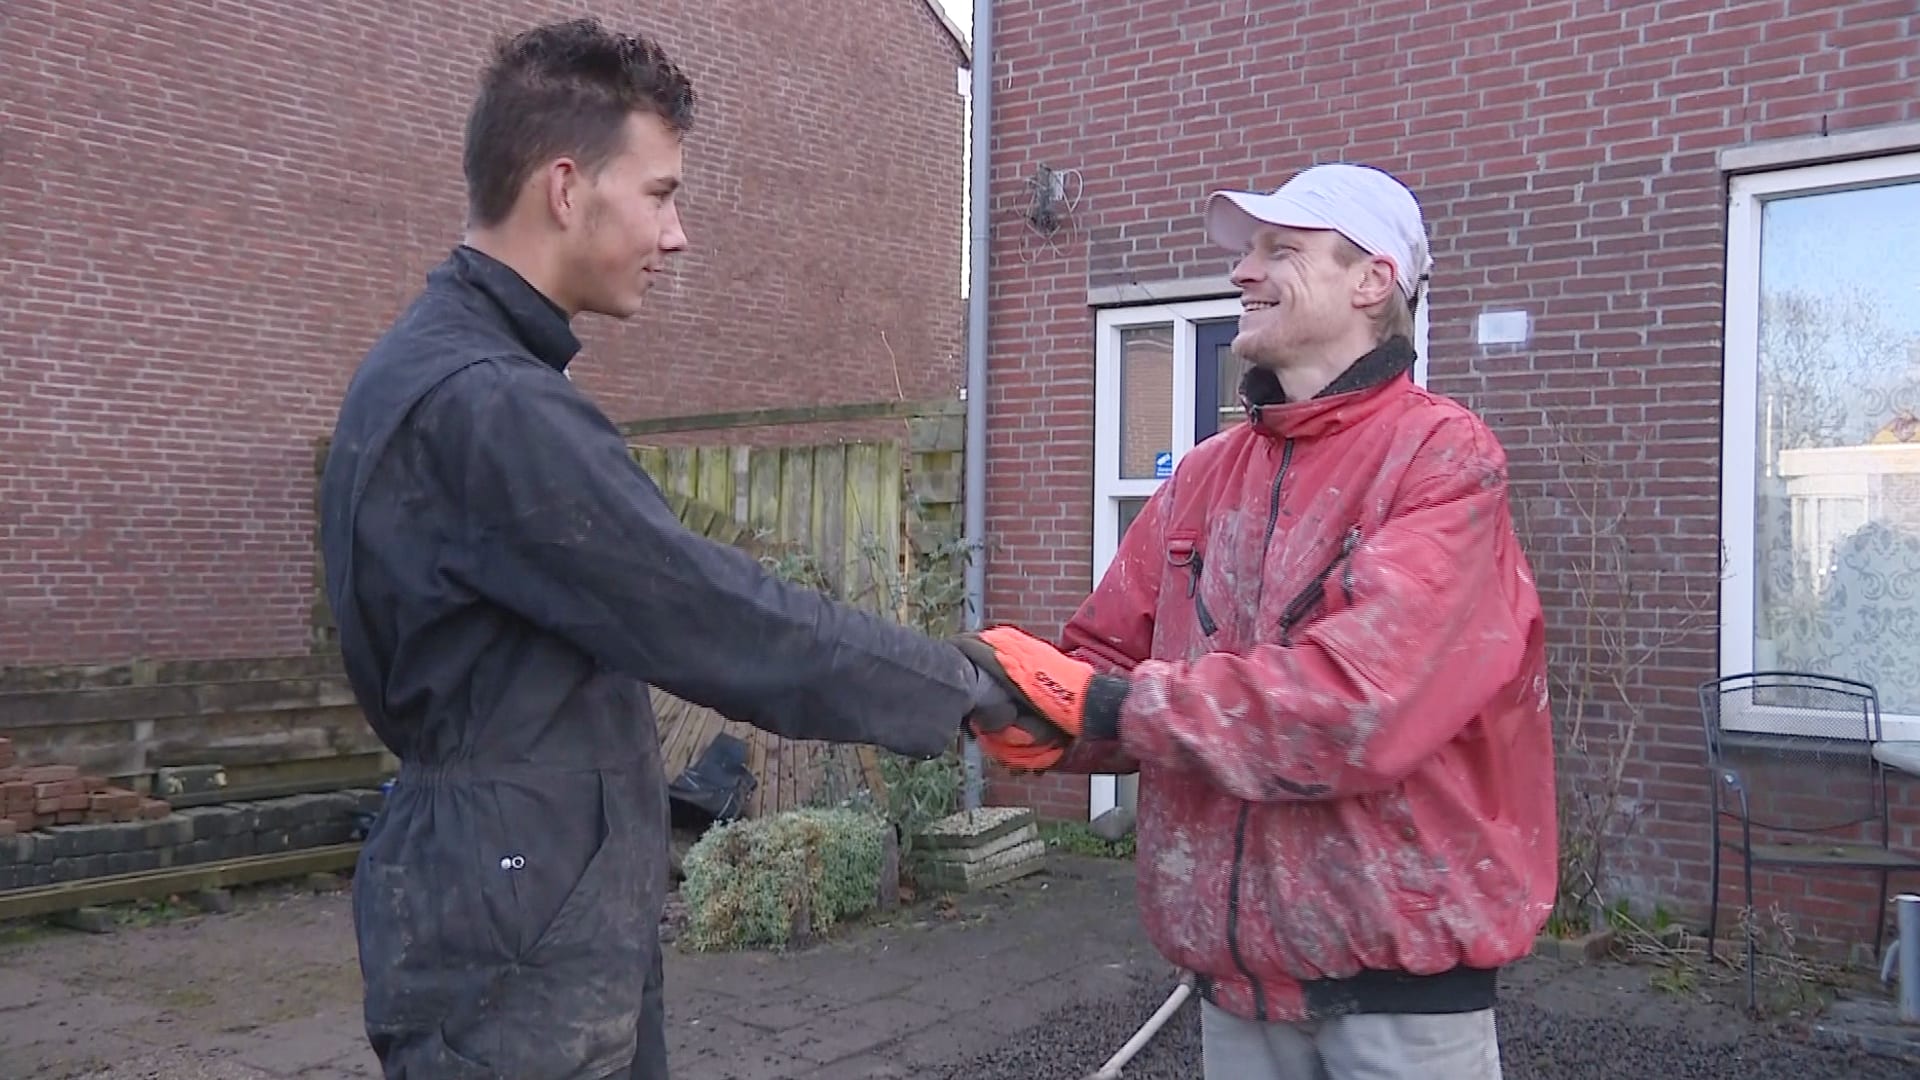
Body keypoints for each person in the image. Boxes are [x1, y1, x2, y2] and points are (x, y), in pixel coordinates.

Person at [318, 19, 1025, 1080]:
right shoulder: (493, 408)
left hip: (508, 889)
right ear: (566, 189)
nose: (678, 233)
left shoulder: (443, 371)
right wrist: (963, 688)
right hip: (518, 928)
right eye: (659, 194)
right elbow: (717, 615)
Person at [956, 163, 1558, 1080]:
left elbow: (1358, 702)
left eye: (1281, 250)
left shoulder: (1443, 461)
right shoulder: (1203, 476)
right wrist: (1016, 704)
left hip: (1399, 998)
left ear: (1372, 280)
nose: (1243, 272)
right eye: (1246, 253)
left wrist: (1108, 706)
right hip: (1237, 988)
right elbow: (1102, 661)